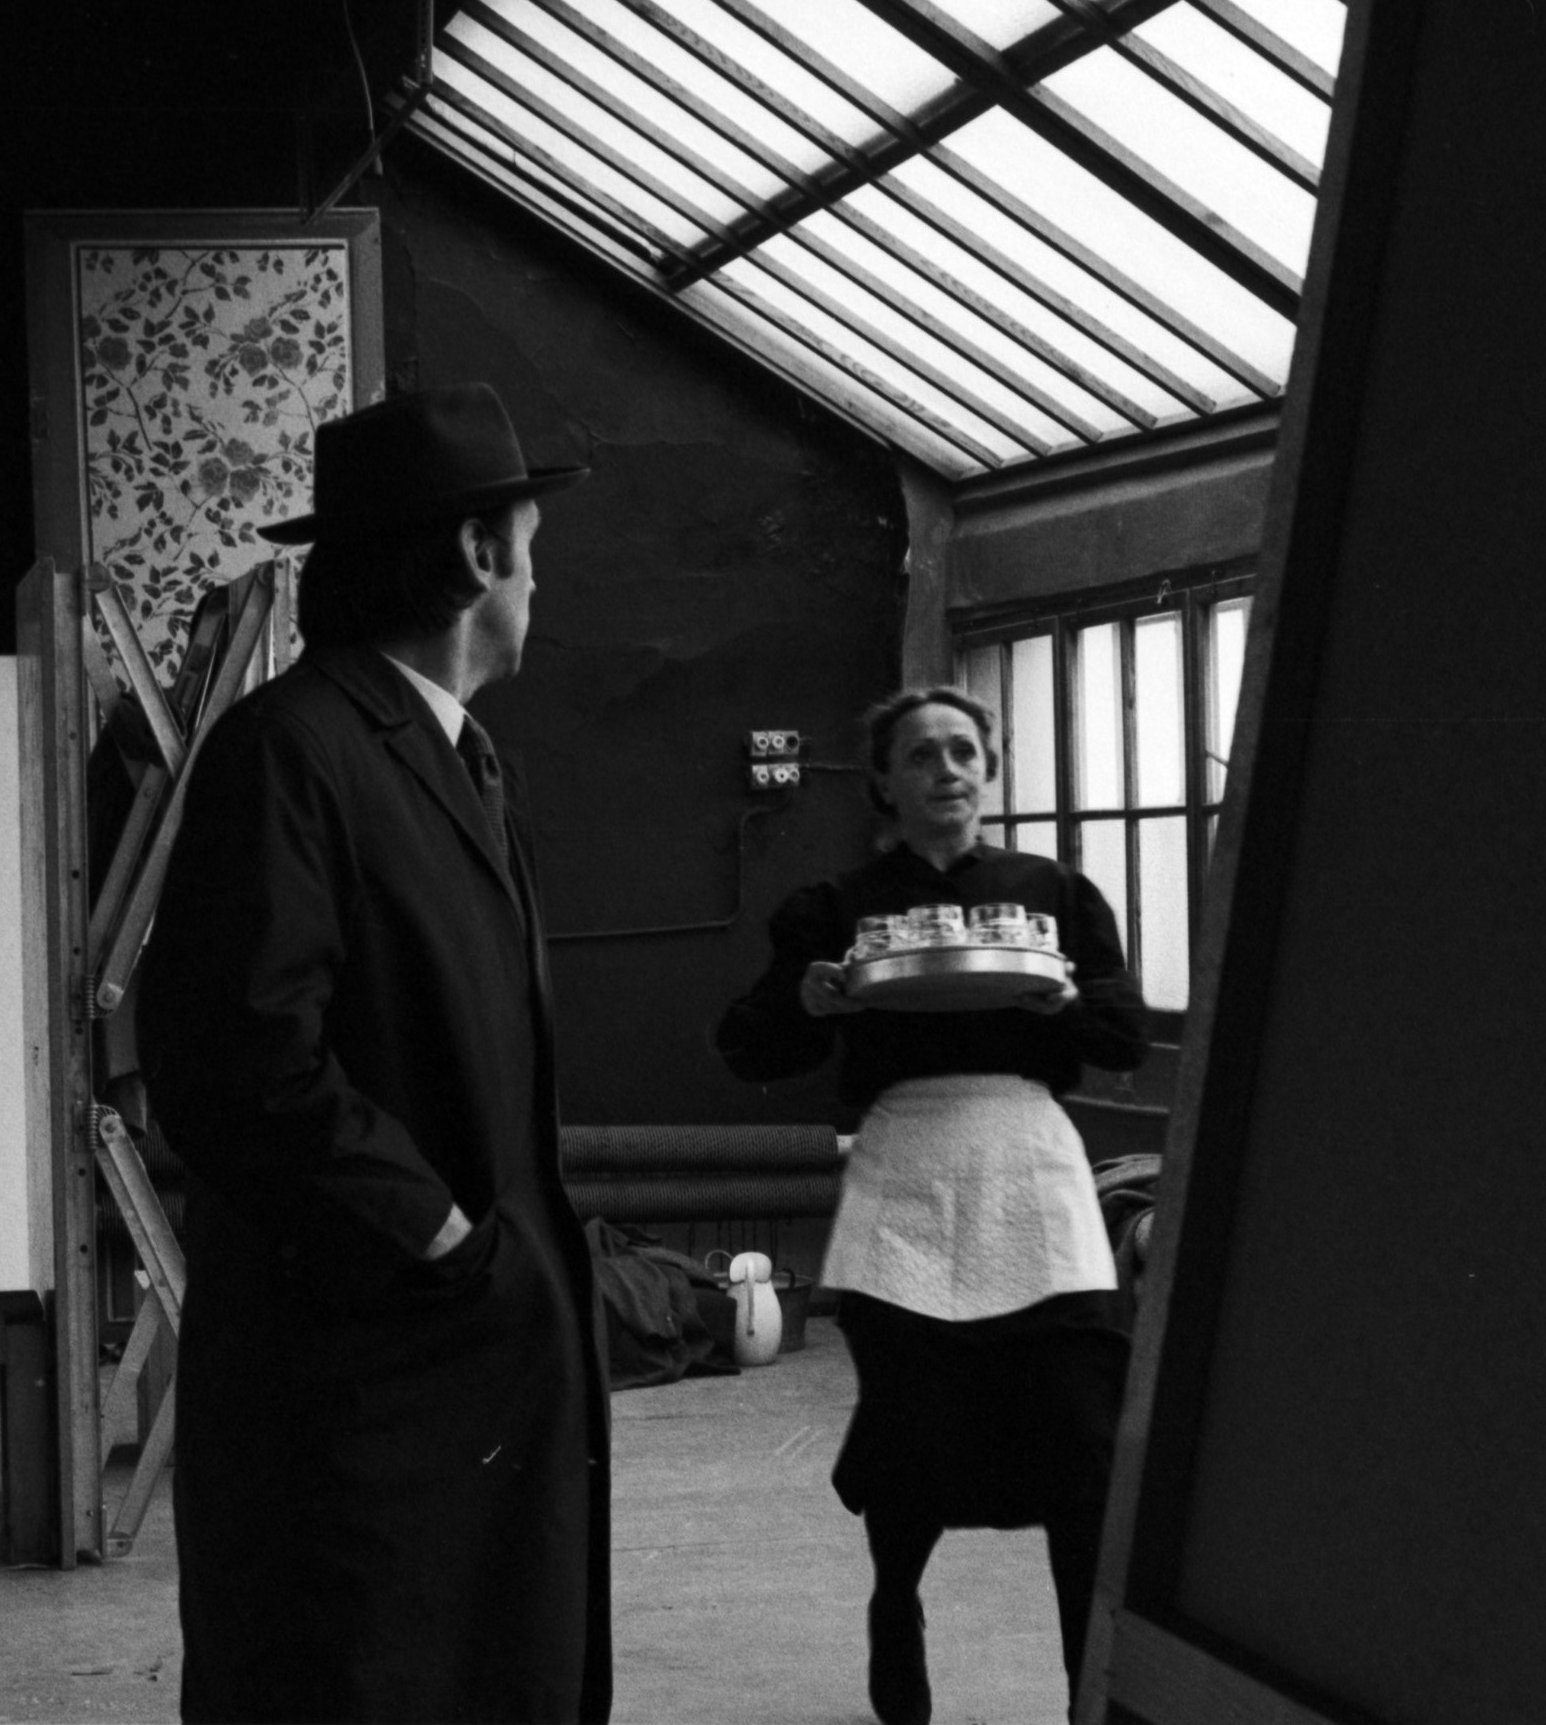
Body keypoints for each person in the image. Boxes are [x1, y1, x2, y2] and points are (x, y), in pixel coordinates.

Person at [138, 383, 611, 1724]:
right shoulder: (289, 750)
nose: (538, 580)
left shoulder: (459, 760)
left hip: (458, 1374)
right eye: (531, 547)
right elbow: (238, 1066)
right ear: (477, 552)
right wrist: (442, 1241)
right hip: (362, 1381)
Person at [714, 686, 1148, 1724]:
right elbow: (747, 1047)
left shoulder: (1054, 894)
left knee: (1081, 1439)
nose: (945, 770)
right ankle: (894, 1611)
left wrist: (1065, 1000)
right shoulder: (833, 905)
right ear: (883, 780)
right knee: (913, 1433)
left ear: (987, 768)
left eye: (963, 751)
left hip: (1031, 1162)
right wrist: (806, 998)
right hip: (904, 1164)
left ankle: (1090, 1693)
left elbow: (1125, 1037)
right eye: (920, 755)